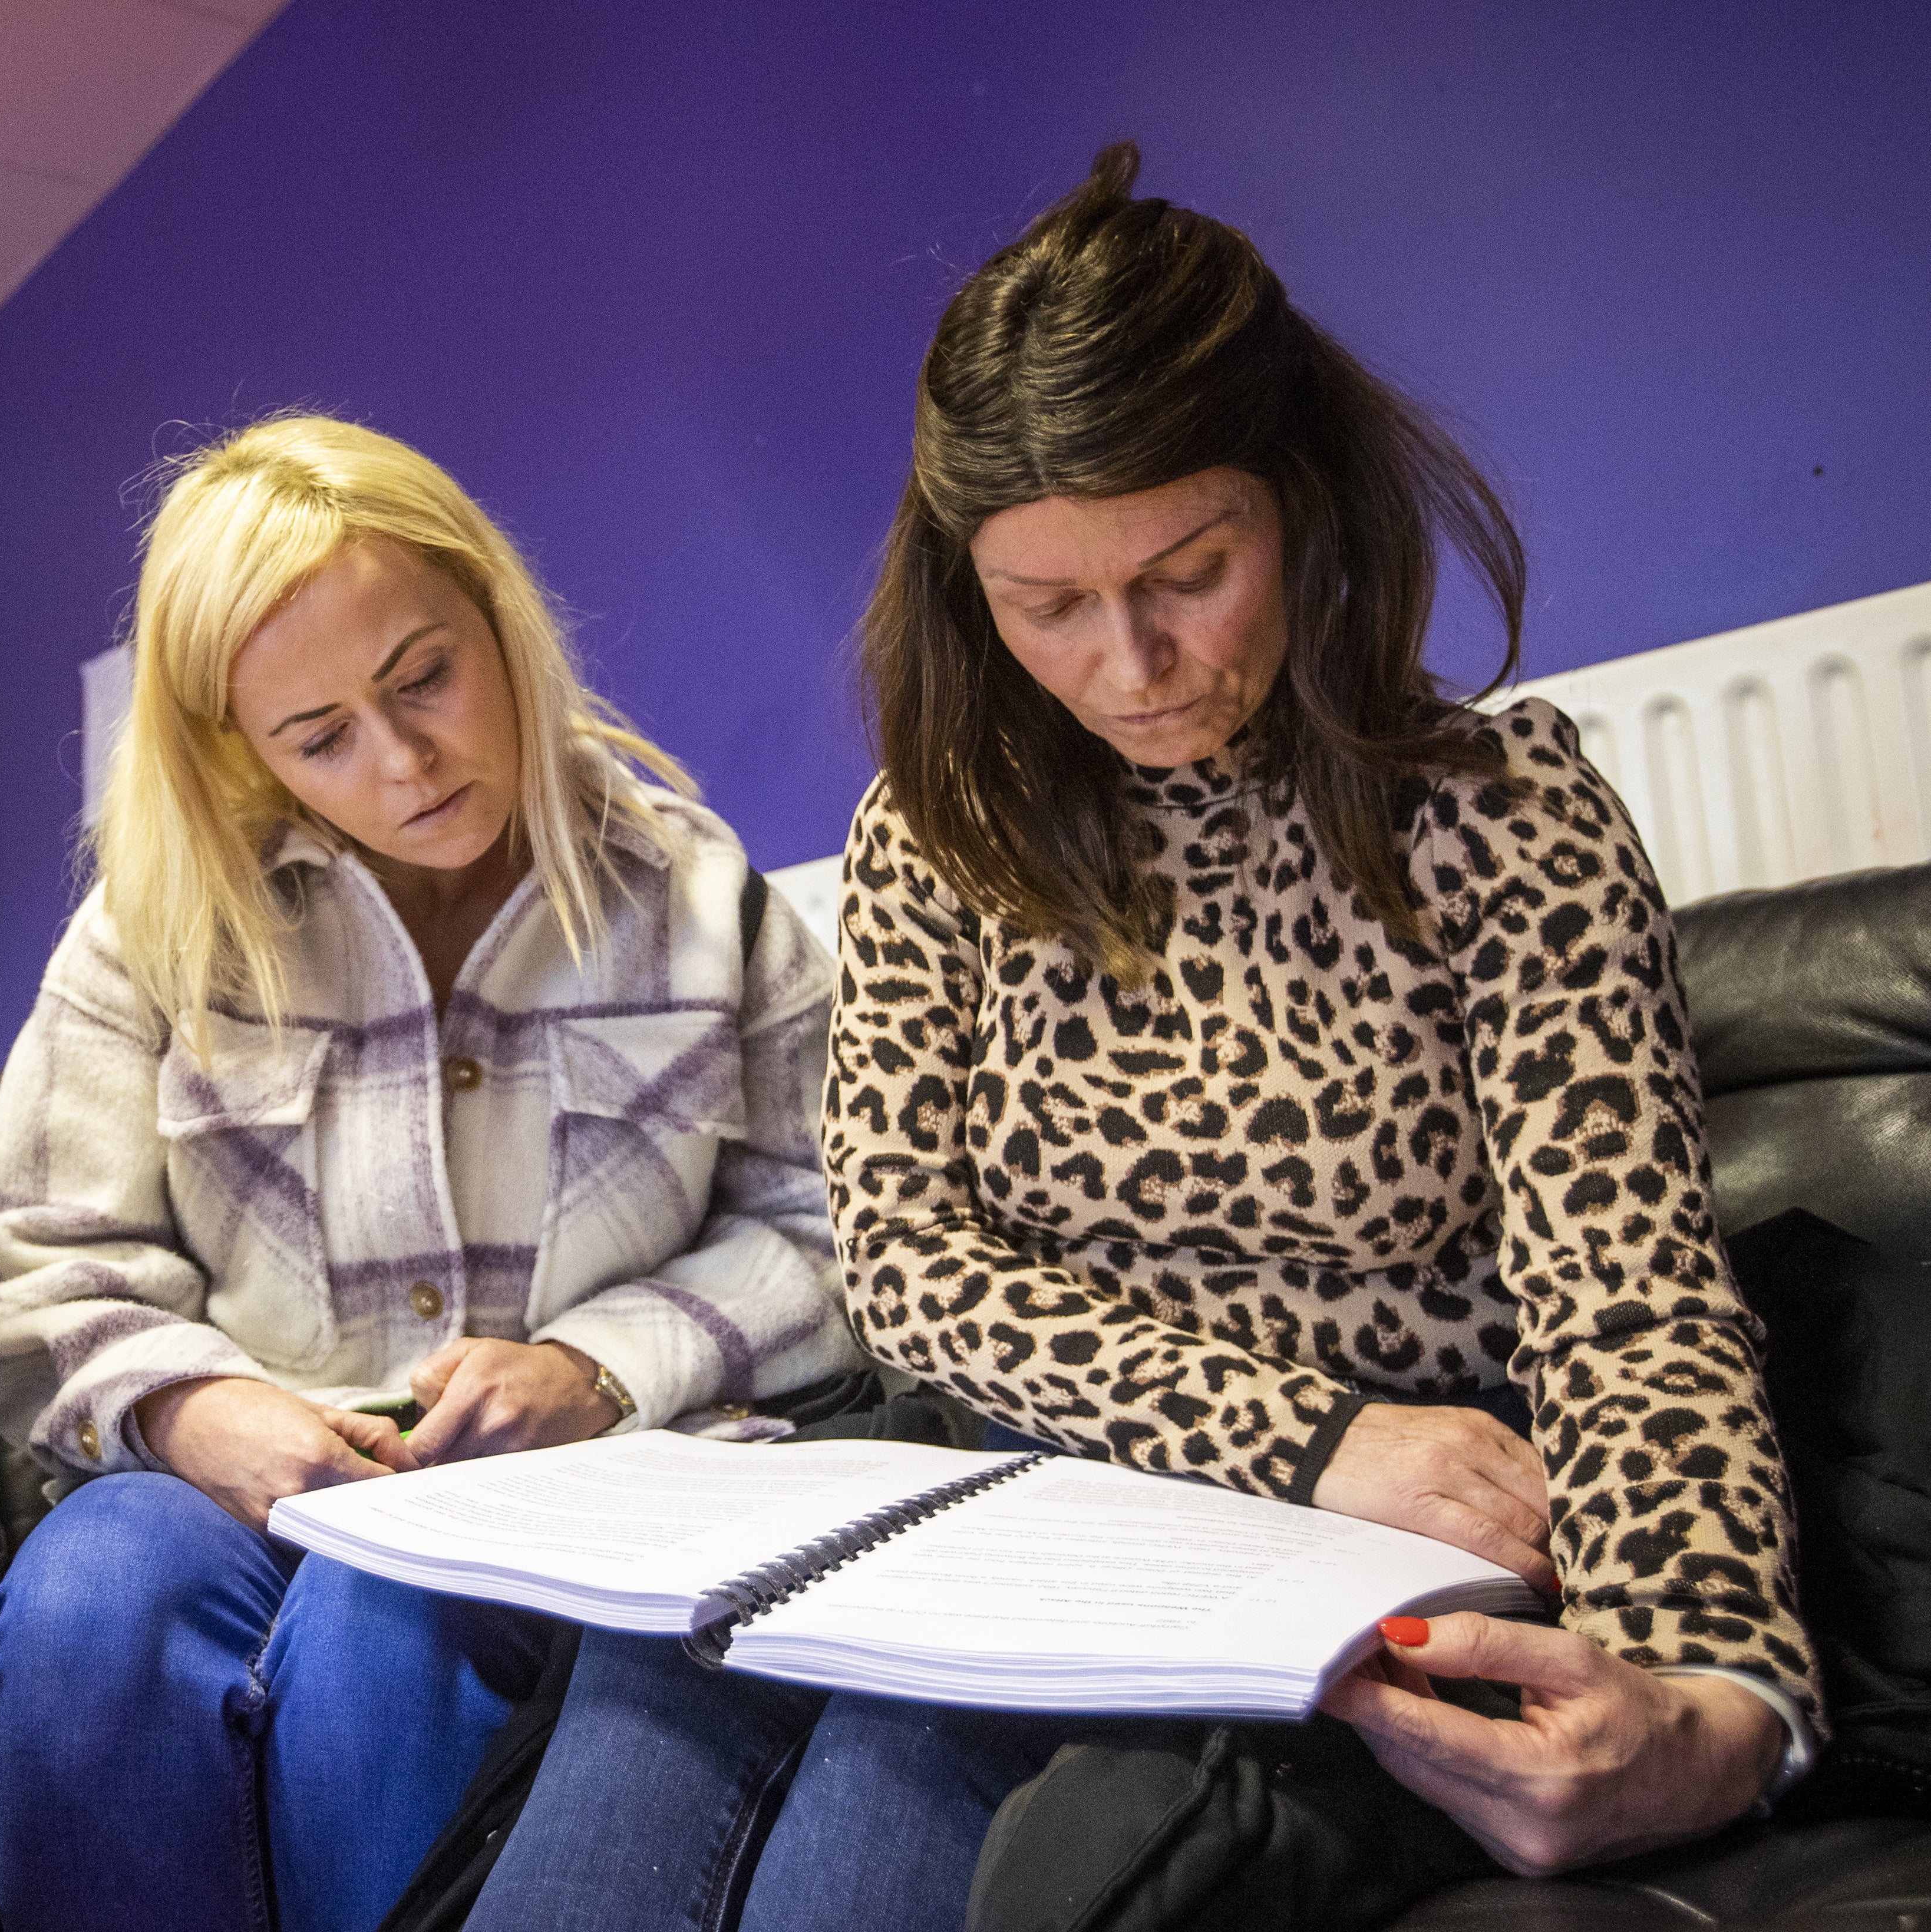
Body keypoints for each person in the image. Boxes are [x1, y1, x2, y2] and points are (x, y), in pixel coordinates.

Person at [463, 144, 1822, 1932]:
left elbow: (1627, 1298)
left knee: (896, 1797)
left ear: (1302, 508)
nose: (1132, 666)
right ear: (970, 591)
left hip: (1354, 1544)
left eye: (1191, 570)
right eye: (1049, 608)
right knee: (642, 1723)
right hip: (1036, 1484)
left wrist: (1713, 1696)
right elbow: (903, 1263)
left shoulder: (1499, 811)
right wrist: (1306, 1431)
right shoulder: (932, 836)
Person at [0, 413, 857, 1932]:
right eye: (320, 737)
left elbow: (830, 1233)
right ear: (241, 744)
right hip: (231, 1499)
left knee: (389, 1615)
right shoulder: (150, 928)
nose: (406, 760)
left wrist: (598, 1365)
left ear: (498, 615)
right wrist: (192, 1406)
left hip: (594, 1494)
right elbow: (30, 1265)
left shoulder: (699, 896)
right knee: (98, 1595)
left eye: (424, 676)